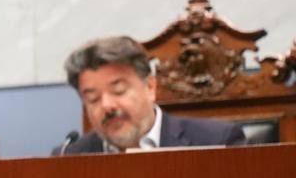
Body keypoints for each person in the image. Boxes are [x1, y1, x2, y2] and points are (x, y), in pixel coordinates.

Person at [57, 36, 246, 154]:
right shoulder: (69, 156)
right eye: (93, 98)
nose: (107, 105)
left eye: (119, 91)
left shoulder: (217, 142)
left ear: (150, 87)